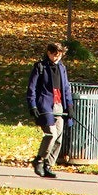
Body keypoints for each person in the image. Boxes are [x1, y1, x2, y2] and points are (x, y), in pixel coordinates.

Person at [26, 41, 73, 178]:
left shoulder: (62, 68)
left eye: (59, 55)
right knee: (51, 134)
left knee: (58, 137)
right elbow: (31, 88)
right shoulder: (40, 67)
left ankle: (48, 165)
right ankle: (39, 159)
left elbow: (66, 88)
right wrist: (32, 105)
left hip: (59, 104)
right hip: (45, 104)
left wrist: (69, 106)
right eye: (54, 55)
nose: (56, 57)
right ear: (48, 53)